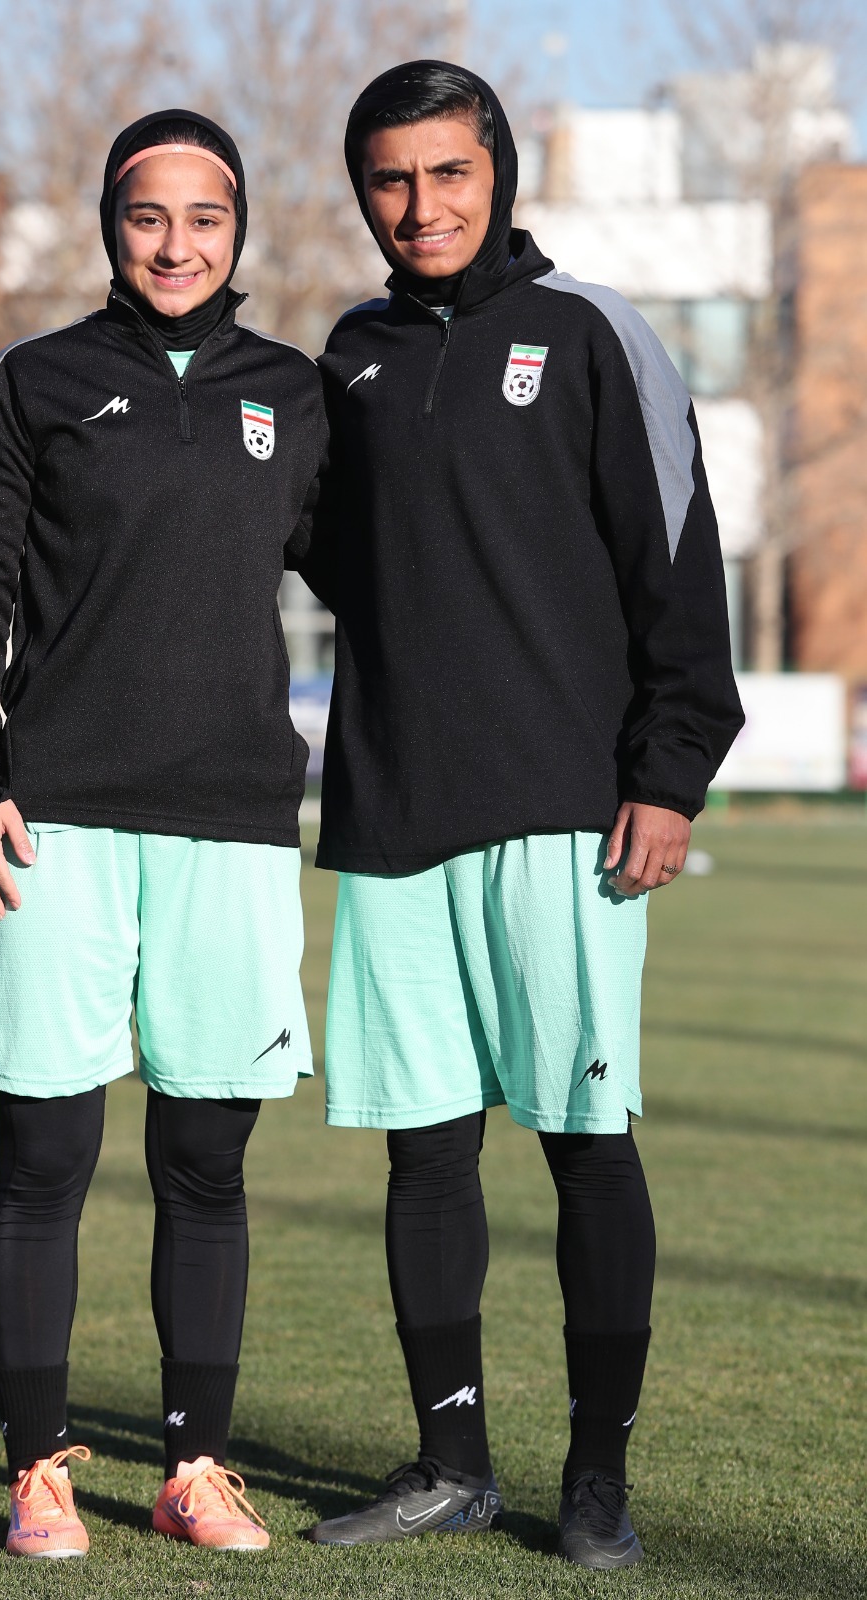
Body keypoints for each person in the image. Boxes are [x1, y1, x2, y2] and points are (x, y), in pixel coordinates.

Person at [305, 62, 743, 1568]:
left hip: (569, 814)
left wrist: (668, 772)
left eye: (447, 172)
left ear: (497, 173)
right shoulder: (348, 357)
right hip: (392, 812)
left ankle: (597, 1478)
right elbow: (323, 554)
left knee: (584, 1143)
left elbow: (679, 561)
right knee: (424, 1156)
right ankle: (452, 1465)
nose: (420, 204)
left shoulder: (593, 332)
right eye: (390, 178)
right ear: (362, 191)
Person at [0, 109, 326, 1558]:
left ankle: (192, 1468)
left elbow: (388, 578)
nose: (176, 244)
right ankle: (36, 1470)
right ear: (111, 224)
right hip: (55, 822)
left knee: (205, 1166)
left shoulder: (292, 392)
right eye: (148, 215)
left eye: (204, 217)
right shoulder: (33, 380)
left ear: (238, 228)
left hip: (232, 824)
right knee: (44, 1155)